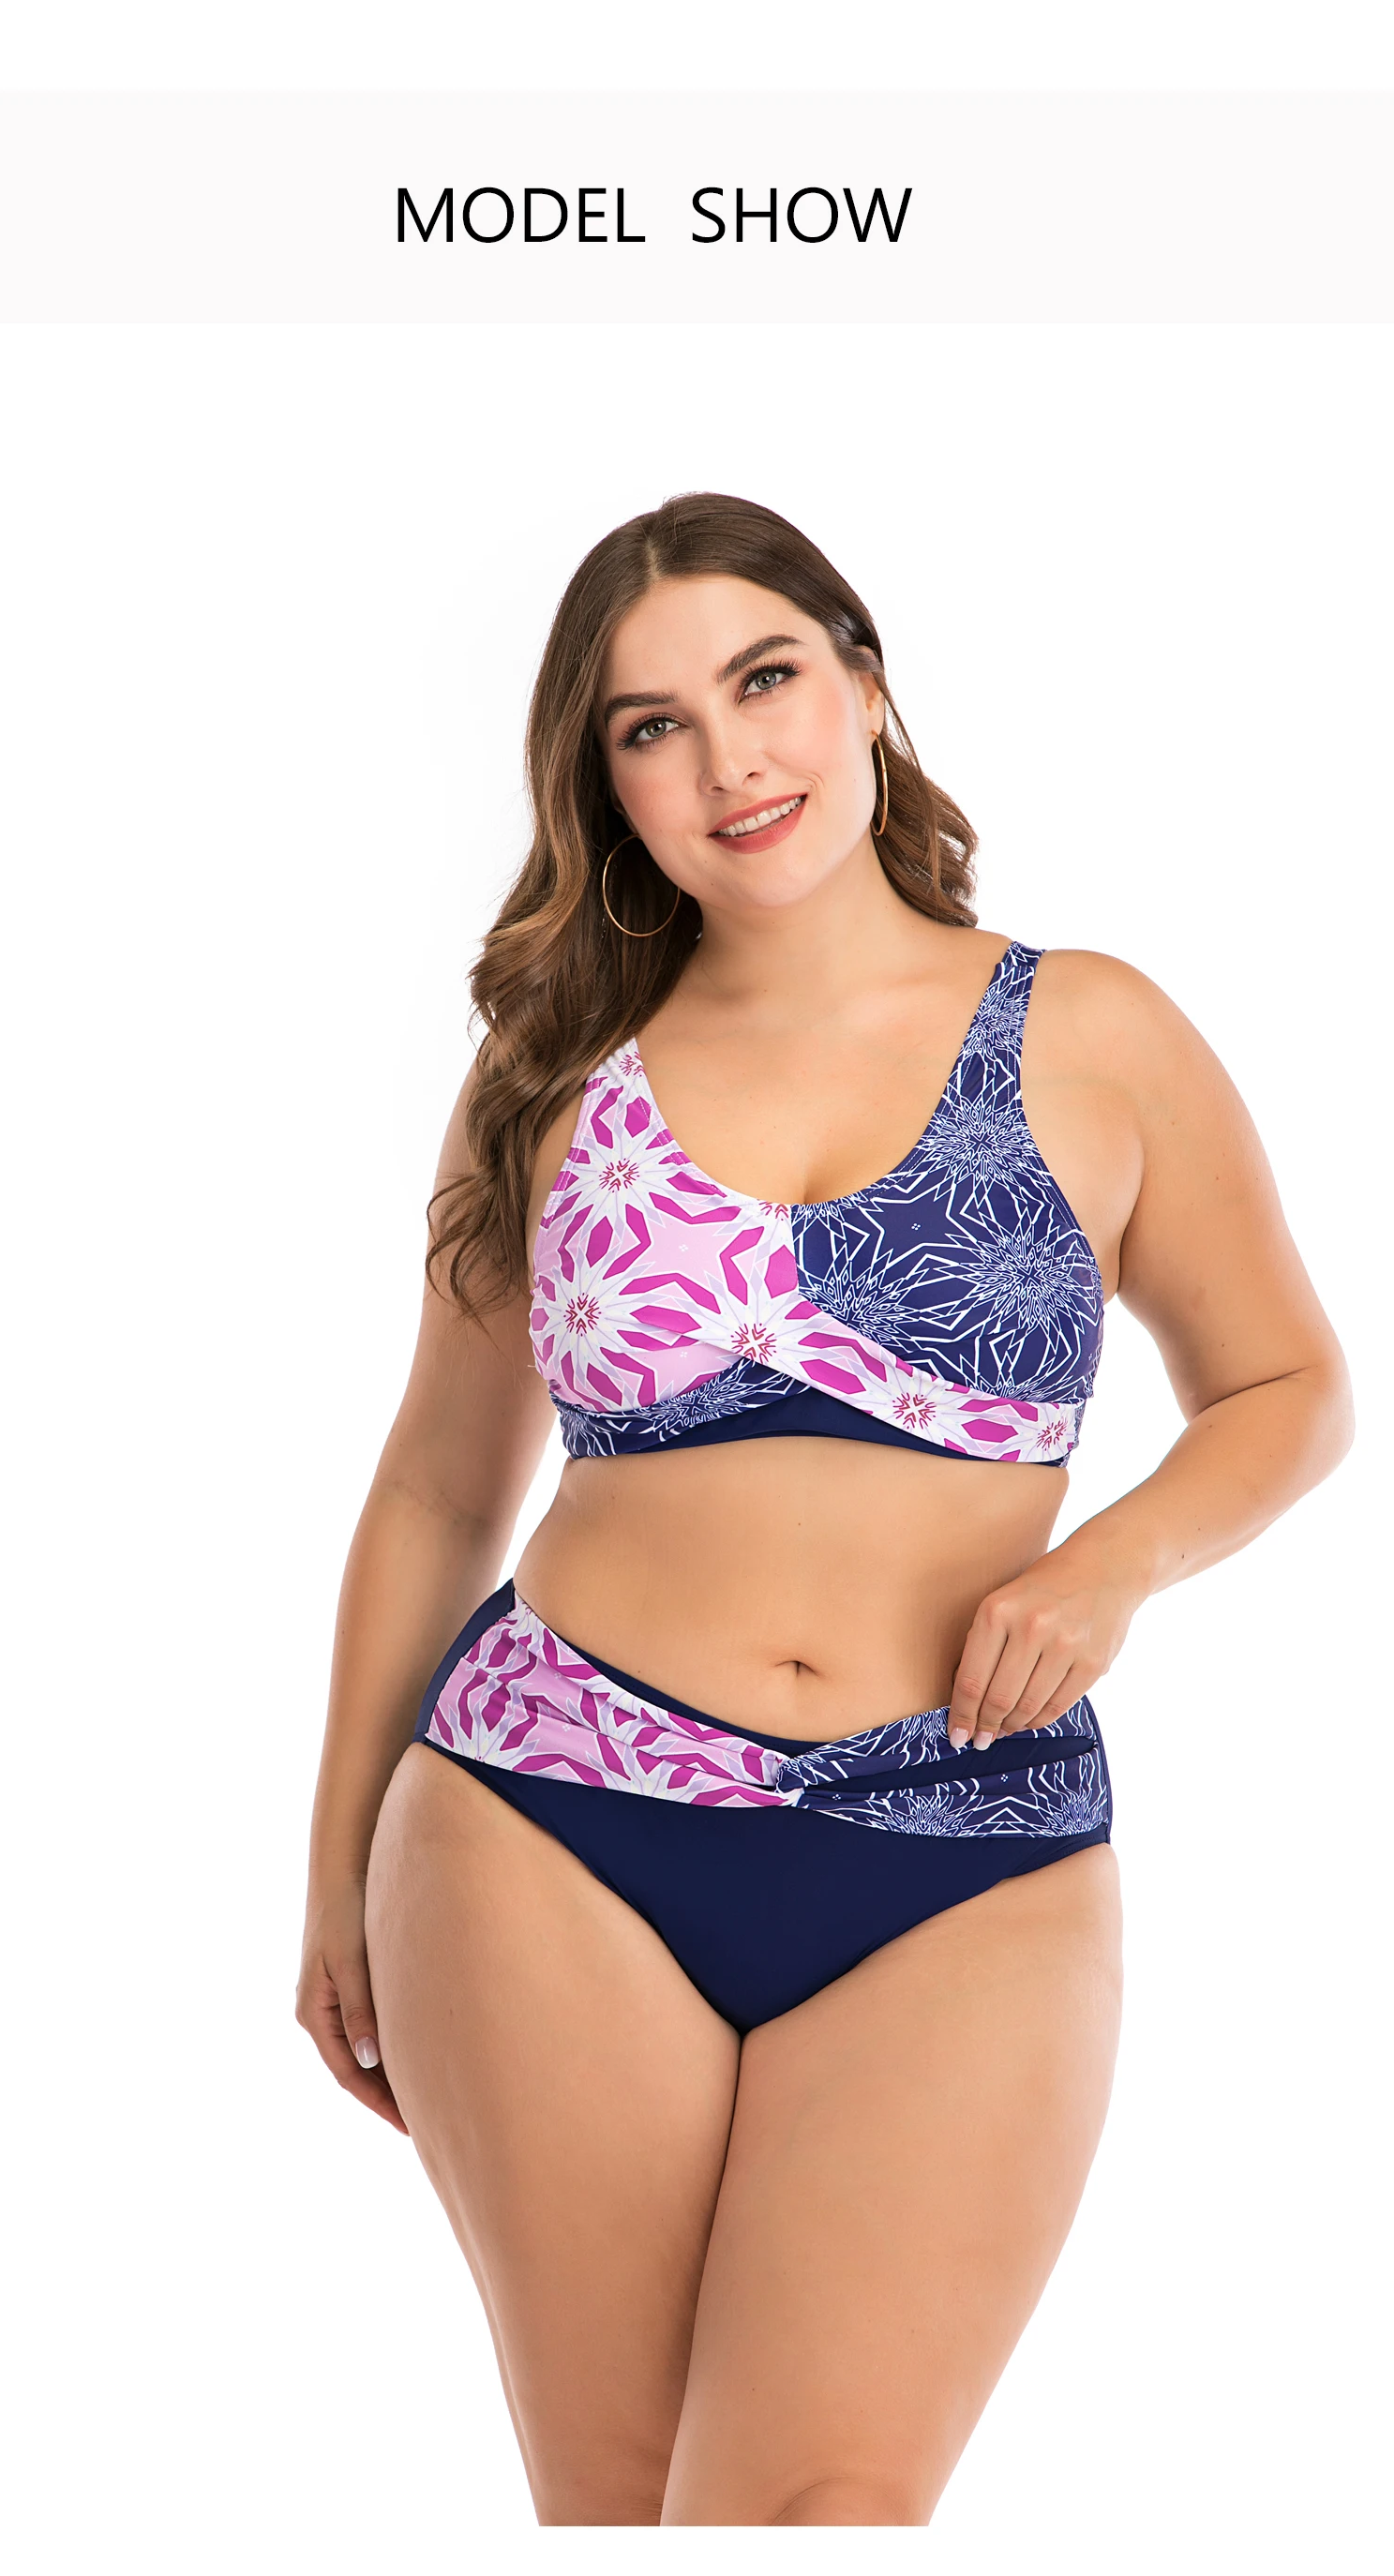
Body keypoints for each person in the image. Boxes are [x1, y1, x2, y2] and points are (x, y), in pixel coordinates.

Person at [295, 492, 1352, 2528]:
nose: (730, 760)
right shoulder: (553, 1067)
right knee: (623, 2513)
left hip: (964, 1842)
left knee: (826, 2516)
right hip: (549, 1822)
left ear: (864, 682)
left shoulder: (1092, 1030)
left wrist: (1111, 1568)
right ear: (606, 784)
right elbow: (436, 1481)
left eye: (764, 679)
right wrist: (334, 1863)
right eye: (652, 727)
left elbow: (1288, 1389)